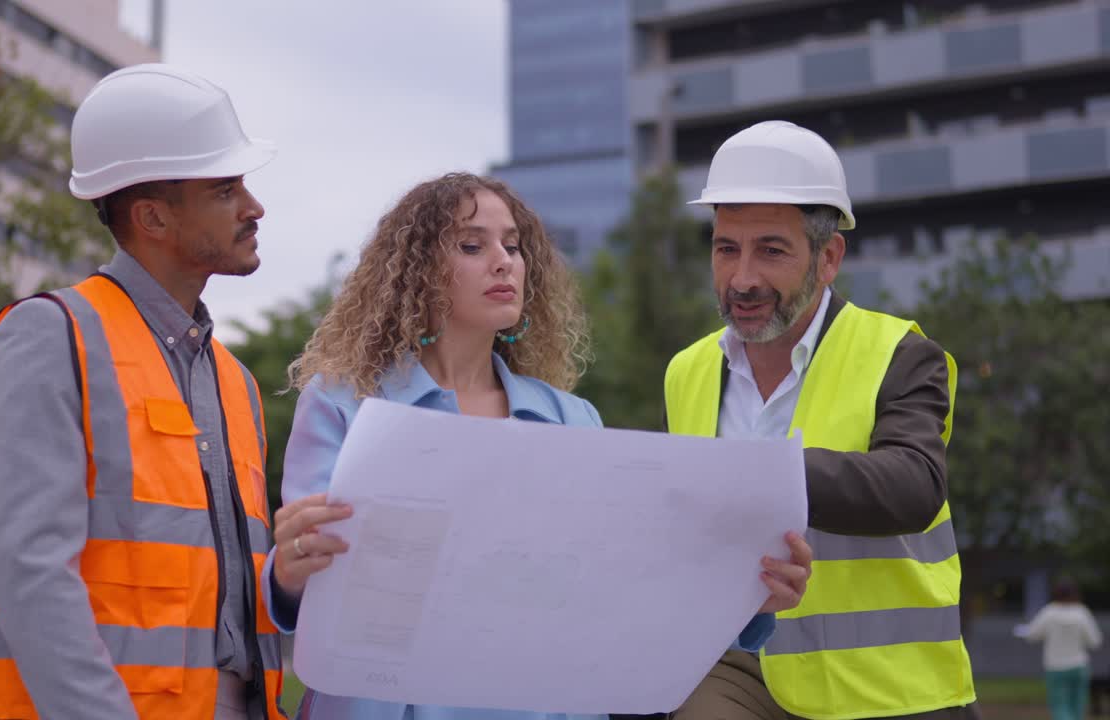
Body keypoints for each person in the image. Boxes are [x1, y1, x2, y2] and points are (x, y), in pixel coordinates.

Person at [260, 172, 814, 720]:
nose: (503, 261)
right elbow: (314, 585)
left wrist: (744, 602)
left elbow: (624, 585)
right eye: (472, 245)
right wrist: (286, 575)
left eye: (514, 246)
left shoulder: (574, 419)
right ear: (415, 270)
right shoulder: (342, 403)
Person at [0, 64, 285, 720]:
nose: (254, 208)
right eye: (225, 189)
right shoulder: (52, 338)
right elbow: (30, 577)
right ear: (152, 217)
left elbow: (220, 593)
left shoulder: (236, 383)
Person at [662, 121, 978, 720]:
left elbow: (913, 486)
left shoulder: (901, 354)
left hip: (886, 685)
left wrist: (757, 476)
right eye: (726, 248)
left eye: (771, 250)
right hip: (737, 666)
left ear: (828, 257)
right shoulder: (686, 372)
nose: (743, 278)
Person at [1015, 577, 1103, 720]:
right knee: (1077, 708)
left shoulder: (1049, 612)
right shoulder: (1081, 613)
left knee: (1060, 707)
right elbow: (1095, 641)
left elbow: (1032, 635)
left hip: (1056, 667)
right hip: (1079, 666)